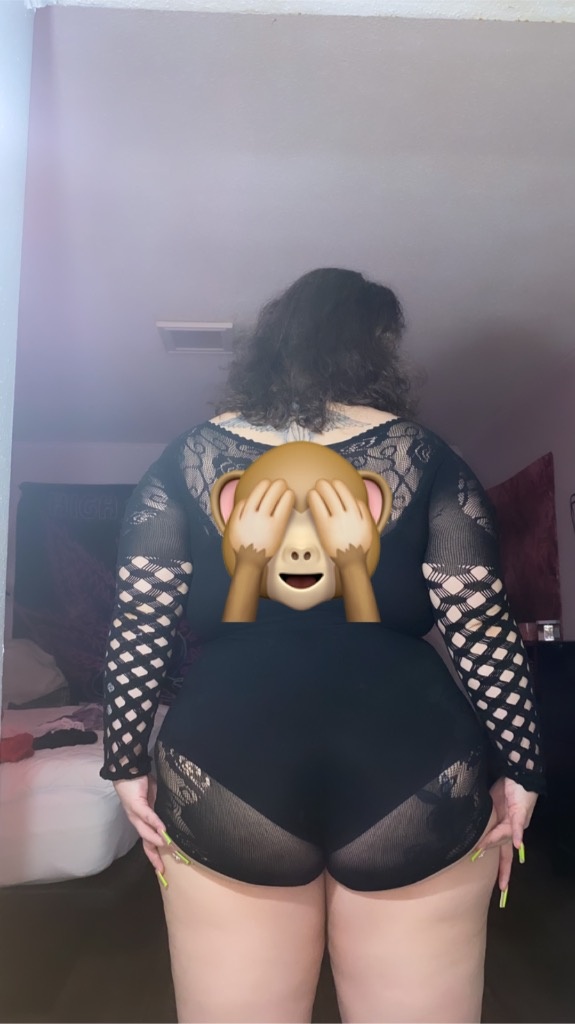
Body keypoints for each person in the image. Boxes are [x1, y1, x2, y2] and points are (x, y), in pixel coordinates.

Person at [100, 268, 544, 1024]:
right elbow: (479, 627)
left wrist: (124, 763)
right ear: (375, 349)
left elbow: (139, 621)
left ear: (271, 345)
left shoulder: (185, 459)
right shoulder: (426, 456)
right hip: (414, 759)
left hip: (226, 759)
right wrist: (522, 767)